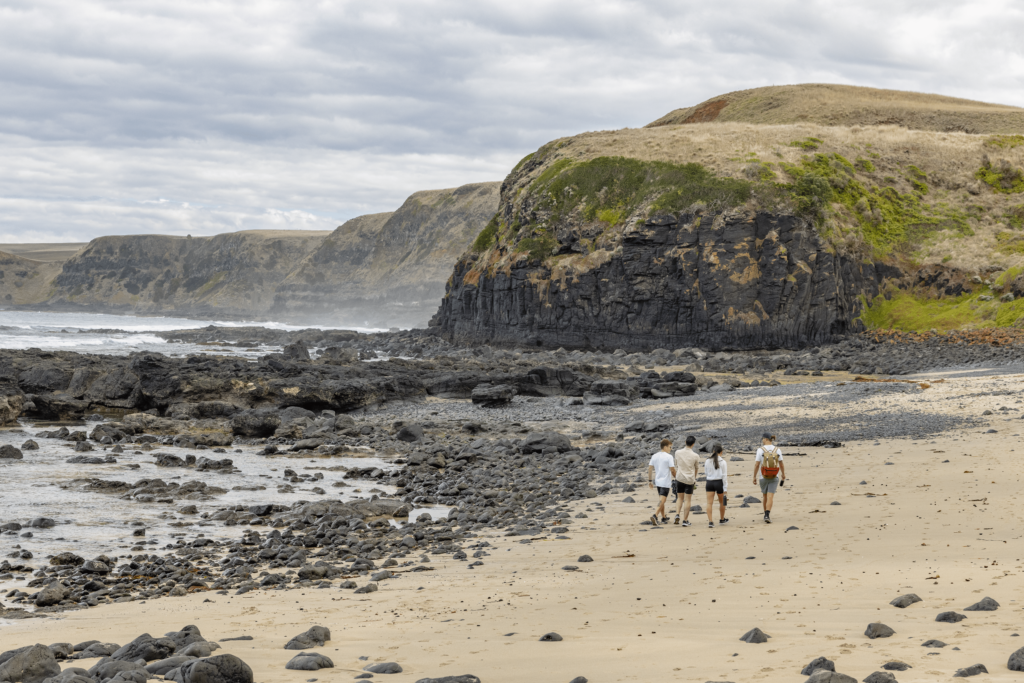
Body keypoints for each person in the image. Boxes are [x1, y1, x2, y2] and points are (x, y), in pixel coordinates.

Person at [753, 433, 785, 524]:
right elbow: (781, 464)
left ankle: (765, 515)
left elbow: (757, 464)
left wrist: (754, 476)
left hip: (763, 476)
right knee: (771, 496)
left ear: (766, 439)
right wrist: (783, 474)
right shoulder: (777, 450)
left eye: (762, 439)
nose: (762, 440)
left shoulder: (760, 450)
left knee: (765, 496)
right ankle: (767, 514)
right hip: (775, 475)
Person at [647, 438, 676, 526]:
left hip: (658, 481)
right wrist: (677, 477)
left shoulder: (654, 456)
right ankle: (655, 515)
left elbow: (650, 468)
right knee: (662, 500)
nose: (671, 449)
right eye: (670, 447)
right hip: (665, 482)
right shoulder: (669, 457)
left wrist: (650, 480)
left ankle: (663, 517)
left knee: (661, 500)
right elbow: (672, 469)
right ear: (665, 447)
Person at [672, 435, 700, 527]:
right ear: (693, 444)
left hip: (679, 478)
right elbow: (696, 469)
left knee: (679, 498)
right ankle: (685, 520)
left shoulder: (677, 452)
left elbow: (676, 464)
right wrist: (694, 479)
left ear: (685, 442)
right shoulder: (695, 456)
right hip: (689, 480)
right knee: (687, 500)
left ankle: (677, 514)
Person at [704, 443, 729, 528]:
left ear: (713, 451)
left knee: (709, 503)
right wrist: (725, 488)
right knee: (722, 502)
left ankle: (710, 521)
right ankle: (722, 519)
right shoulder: (723, 462)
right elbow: (724, 476)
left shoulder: (707, 460)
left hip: (709, 483)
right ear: (721, 452)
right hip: (719, 483)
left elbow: (706, 473)